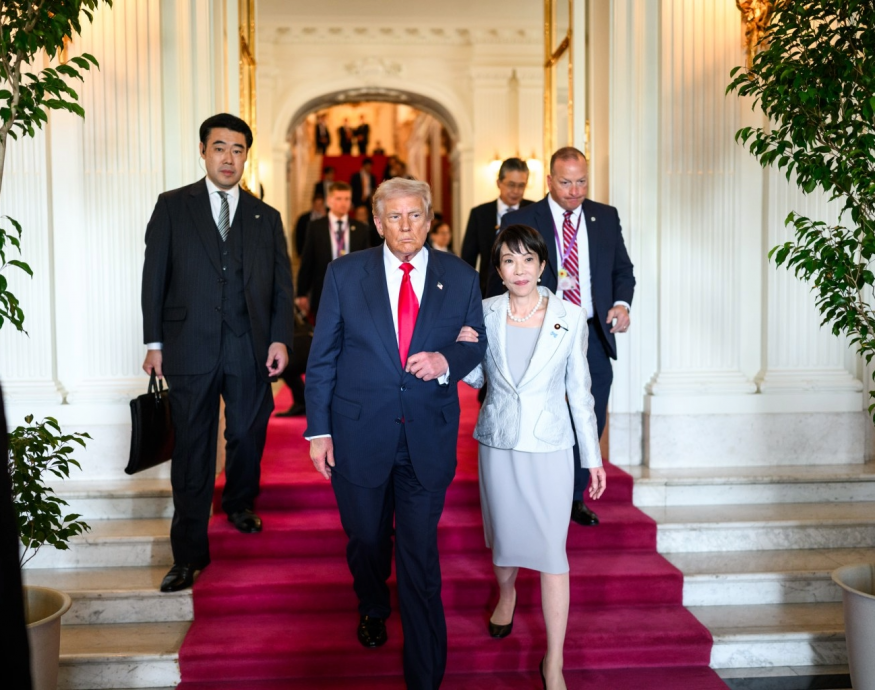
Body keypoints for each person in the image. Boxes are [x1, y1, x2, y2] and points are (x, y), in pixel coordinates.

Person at [304, 177, 486, 689]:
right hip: (358, 433)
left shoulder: (460, 276)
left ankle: (425, 675)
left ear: (429, 220)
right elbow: (323, 357)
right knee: (366, 537)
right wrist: (318, 431)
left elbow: (476, 342)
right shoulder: (344, 274)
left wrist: (447, 359)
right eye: (395, 217)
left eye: (416, 216)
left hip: (426, 438)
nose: (406, 226)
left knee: (419, 555)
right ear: (379, 223)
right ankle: (372, 602)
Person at [141, 113, 296, 592]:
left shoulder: (266, 217)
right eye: (220, 148)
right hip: (189, 345)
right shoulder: (172, 206)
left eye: (238, 149)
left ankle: (239, 501)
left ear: (246, 156)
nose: (229, 158)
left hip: (249, 345)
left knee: (248, 432)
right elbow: (154, 277)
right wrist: (154, 343)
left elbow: (282, 286)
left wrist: (279, 337)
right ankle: (188, 554)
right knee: (193, 448)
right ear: (203, 151)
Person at [459, 224, 605, 690]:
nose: (519, 269)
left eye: (528, 259)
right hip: (499, 444)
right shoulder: (484, 312)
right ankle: (506, 593)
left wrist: (593, 458)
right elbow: (476, 379)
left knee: (552, 552)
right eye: (508, 260)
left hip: (551, 448)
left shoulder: (570, 316)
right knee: (504, 544)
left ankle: (554, 662)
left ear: (543, 265)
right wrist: (457, 350)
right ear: (498, 269)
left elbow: (579, 392)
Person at [496, 147, 635, 528]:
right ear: (549, 181)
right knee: (535, 410)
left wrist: (622, 304)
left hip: (589, 331)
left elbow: (623, 270)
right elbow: (499, 277)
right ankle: (531, 491)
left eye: (581, 181)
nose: (575, 191)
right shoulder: (522, 219)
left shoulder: (605, 217)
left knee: (590, 411)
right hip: (536, 331)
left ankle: (572, 496)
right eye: (566, 182)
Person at [296, 182, 369, 321]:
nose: (343, 203)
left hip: (354, 293)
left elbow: (367, 263)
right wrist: (302, 293)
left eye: (347, 199)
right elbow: (307, 261)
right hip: (323, 291)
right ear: (329, 201)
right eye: (339, 198)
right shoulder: (315, 227)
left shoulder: (361, 229)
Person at [462, 157, 534, 297]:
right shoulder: (480, 214)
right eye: (511, 185)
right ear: (499, 183)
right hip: (489, 290)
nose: (516, 191)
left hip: (527, 290)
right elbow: (468, 260)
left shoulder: (534, 210)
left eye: (521, 186)